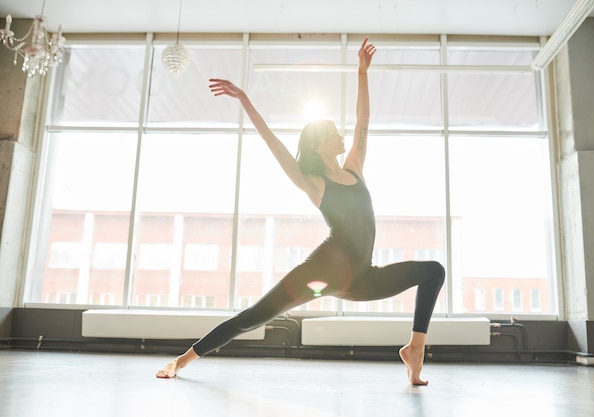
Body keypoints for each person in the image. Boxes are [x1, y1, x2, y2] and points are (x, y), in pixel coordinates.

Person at [156, 37, 445, 386]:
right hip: (320, 272)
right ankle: (183, 360)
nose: (342, 135)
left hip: (363, 277)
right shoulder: (314, 183)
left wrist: (362, 72)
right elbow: (272, 142)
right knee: (253, 316)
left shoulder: (354, 168)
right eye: (334, 132)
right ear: (318, 143)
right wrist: (245, 99)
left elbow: (363, 119)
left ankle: (414, 351)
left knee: (434, 271)